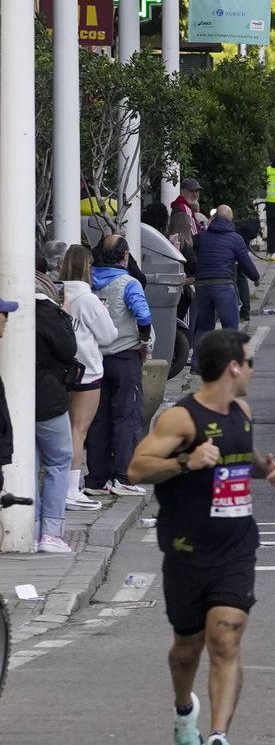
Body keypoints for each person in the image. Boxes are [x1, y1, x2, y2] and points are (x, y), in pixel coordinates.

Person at [128, 329, 275, 745]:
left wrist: (266, 469)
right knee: (186, 649)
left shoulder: (242, 411)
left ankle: (218, 736)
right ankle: (185, 712)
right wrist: (186, 463)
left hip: (236, 546)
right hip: (185, 549)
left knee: (225, 638)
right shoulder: (181, 419)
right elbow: (137, 467)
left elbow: (237, 459)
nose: (253, 372)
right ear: (234, 367)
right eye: (250, 363)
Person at [84, 236, 153, 498]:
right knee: (127, 416)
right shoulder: (128, 283)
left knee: (98, 419)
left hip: (95, 359)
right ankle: (123, 476)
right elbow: (144, 316)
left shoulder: (89, 281)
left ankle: (96, 479)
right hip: (125, 357)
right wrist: (144, 340)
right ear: (124, 257)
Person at [58, 244, 116, 512]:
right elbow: (108, 336)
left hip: (61, 370)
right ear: (87, 267)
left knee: (65, 429)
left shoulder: (57, 293)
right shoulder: (88, 299)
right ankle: (71, 488)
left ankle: (63, 485)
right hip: (87, 370)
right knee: (78, 431)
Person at [32, 276, 80, 553]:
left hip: (18, 399)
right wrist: (65, 316)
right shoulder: (49, 314)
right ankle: (50, 531)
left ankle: (31, 523)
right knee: (59, 460)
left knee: (28, 463)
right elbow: (67, 350)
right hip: (48, 400)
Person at [190, 205, 261, 352]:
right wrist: (255, 277)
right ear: (231, 220)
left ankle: (197, 363)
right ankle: (231, 360)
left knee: (203, 326)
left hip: (202, 285)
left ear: (214, 219)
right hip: (223, 285)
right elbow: (246, 263)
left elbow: (189, 249)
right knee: (230, 328)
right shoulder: (235, 239)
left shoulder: (201, 237)